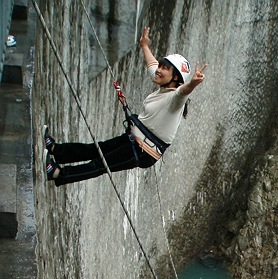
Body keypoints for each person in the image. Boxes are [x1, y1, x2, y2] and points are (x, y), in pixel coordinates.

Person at [44, 26, 206, 186]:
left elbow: (183, 92)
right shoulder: (164, 87)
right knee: (96, 149)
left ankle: (57, 174)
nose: (159, 70)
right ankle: (56, 150)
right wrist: (144, 46)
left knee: (100, 164)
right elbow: (152, 66)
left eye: (165, 68)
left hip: (143, 151)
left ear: (175, 78)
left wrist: (192, 83)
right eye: (161, 66)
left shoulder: (175, 100)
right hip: (134, 140)